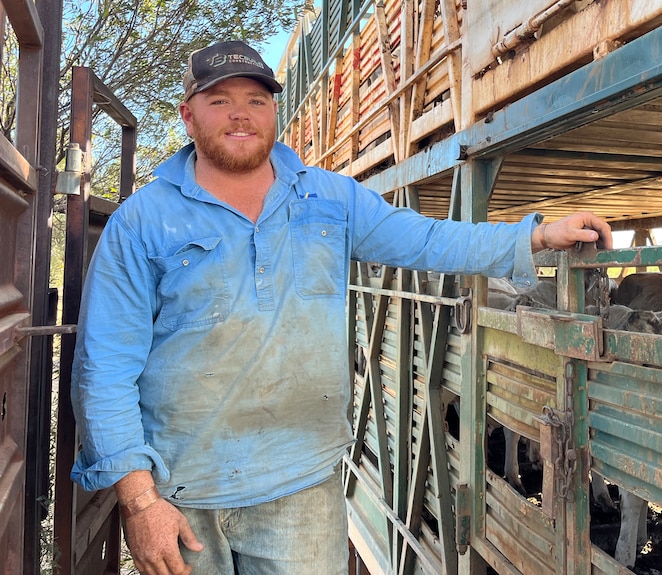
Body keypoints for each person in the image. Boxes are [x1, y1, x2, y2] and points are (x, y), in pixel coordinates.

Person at [69, 39, 613, 575]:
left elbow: (426, 240)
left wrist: (537, 237)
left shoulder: (330, 199)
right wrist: (140, 503)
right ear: (188, 116)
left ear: (273, 111)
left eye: (257, 100)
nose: (241, 115)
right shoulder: (141, 222)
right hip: (181, 490)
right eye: (220, 101)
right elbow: (105, 367)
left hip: (302, 486)